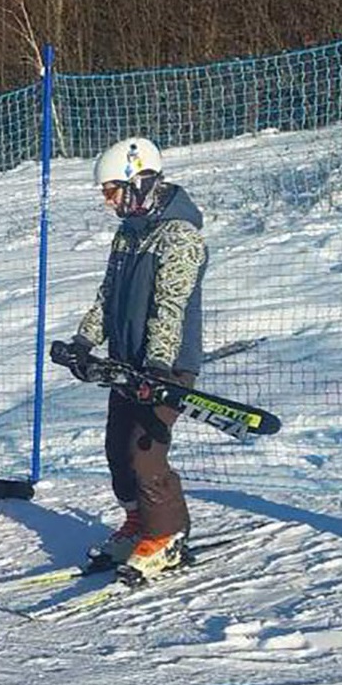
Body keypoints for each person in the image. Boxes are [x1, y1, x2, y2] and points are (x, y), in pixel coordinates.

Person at [56, 137, 207, 582]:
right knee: (116, 451)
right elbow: (107, 297)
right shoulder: (129, 234)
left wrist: (159, 368)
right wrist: (83, 342)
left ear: (138, 181)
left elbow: (170, 308)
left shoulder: (180, 236)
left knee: (146, 453)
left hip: (168, 366)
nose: (108, 202)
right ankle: (138, 522)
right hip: (127, 363)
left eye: (111, 191)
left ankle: (168, 535)